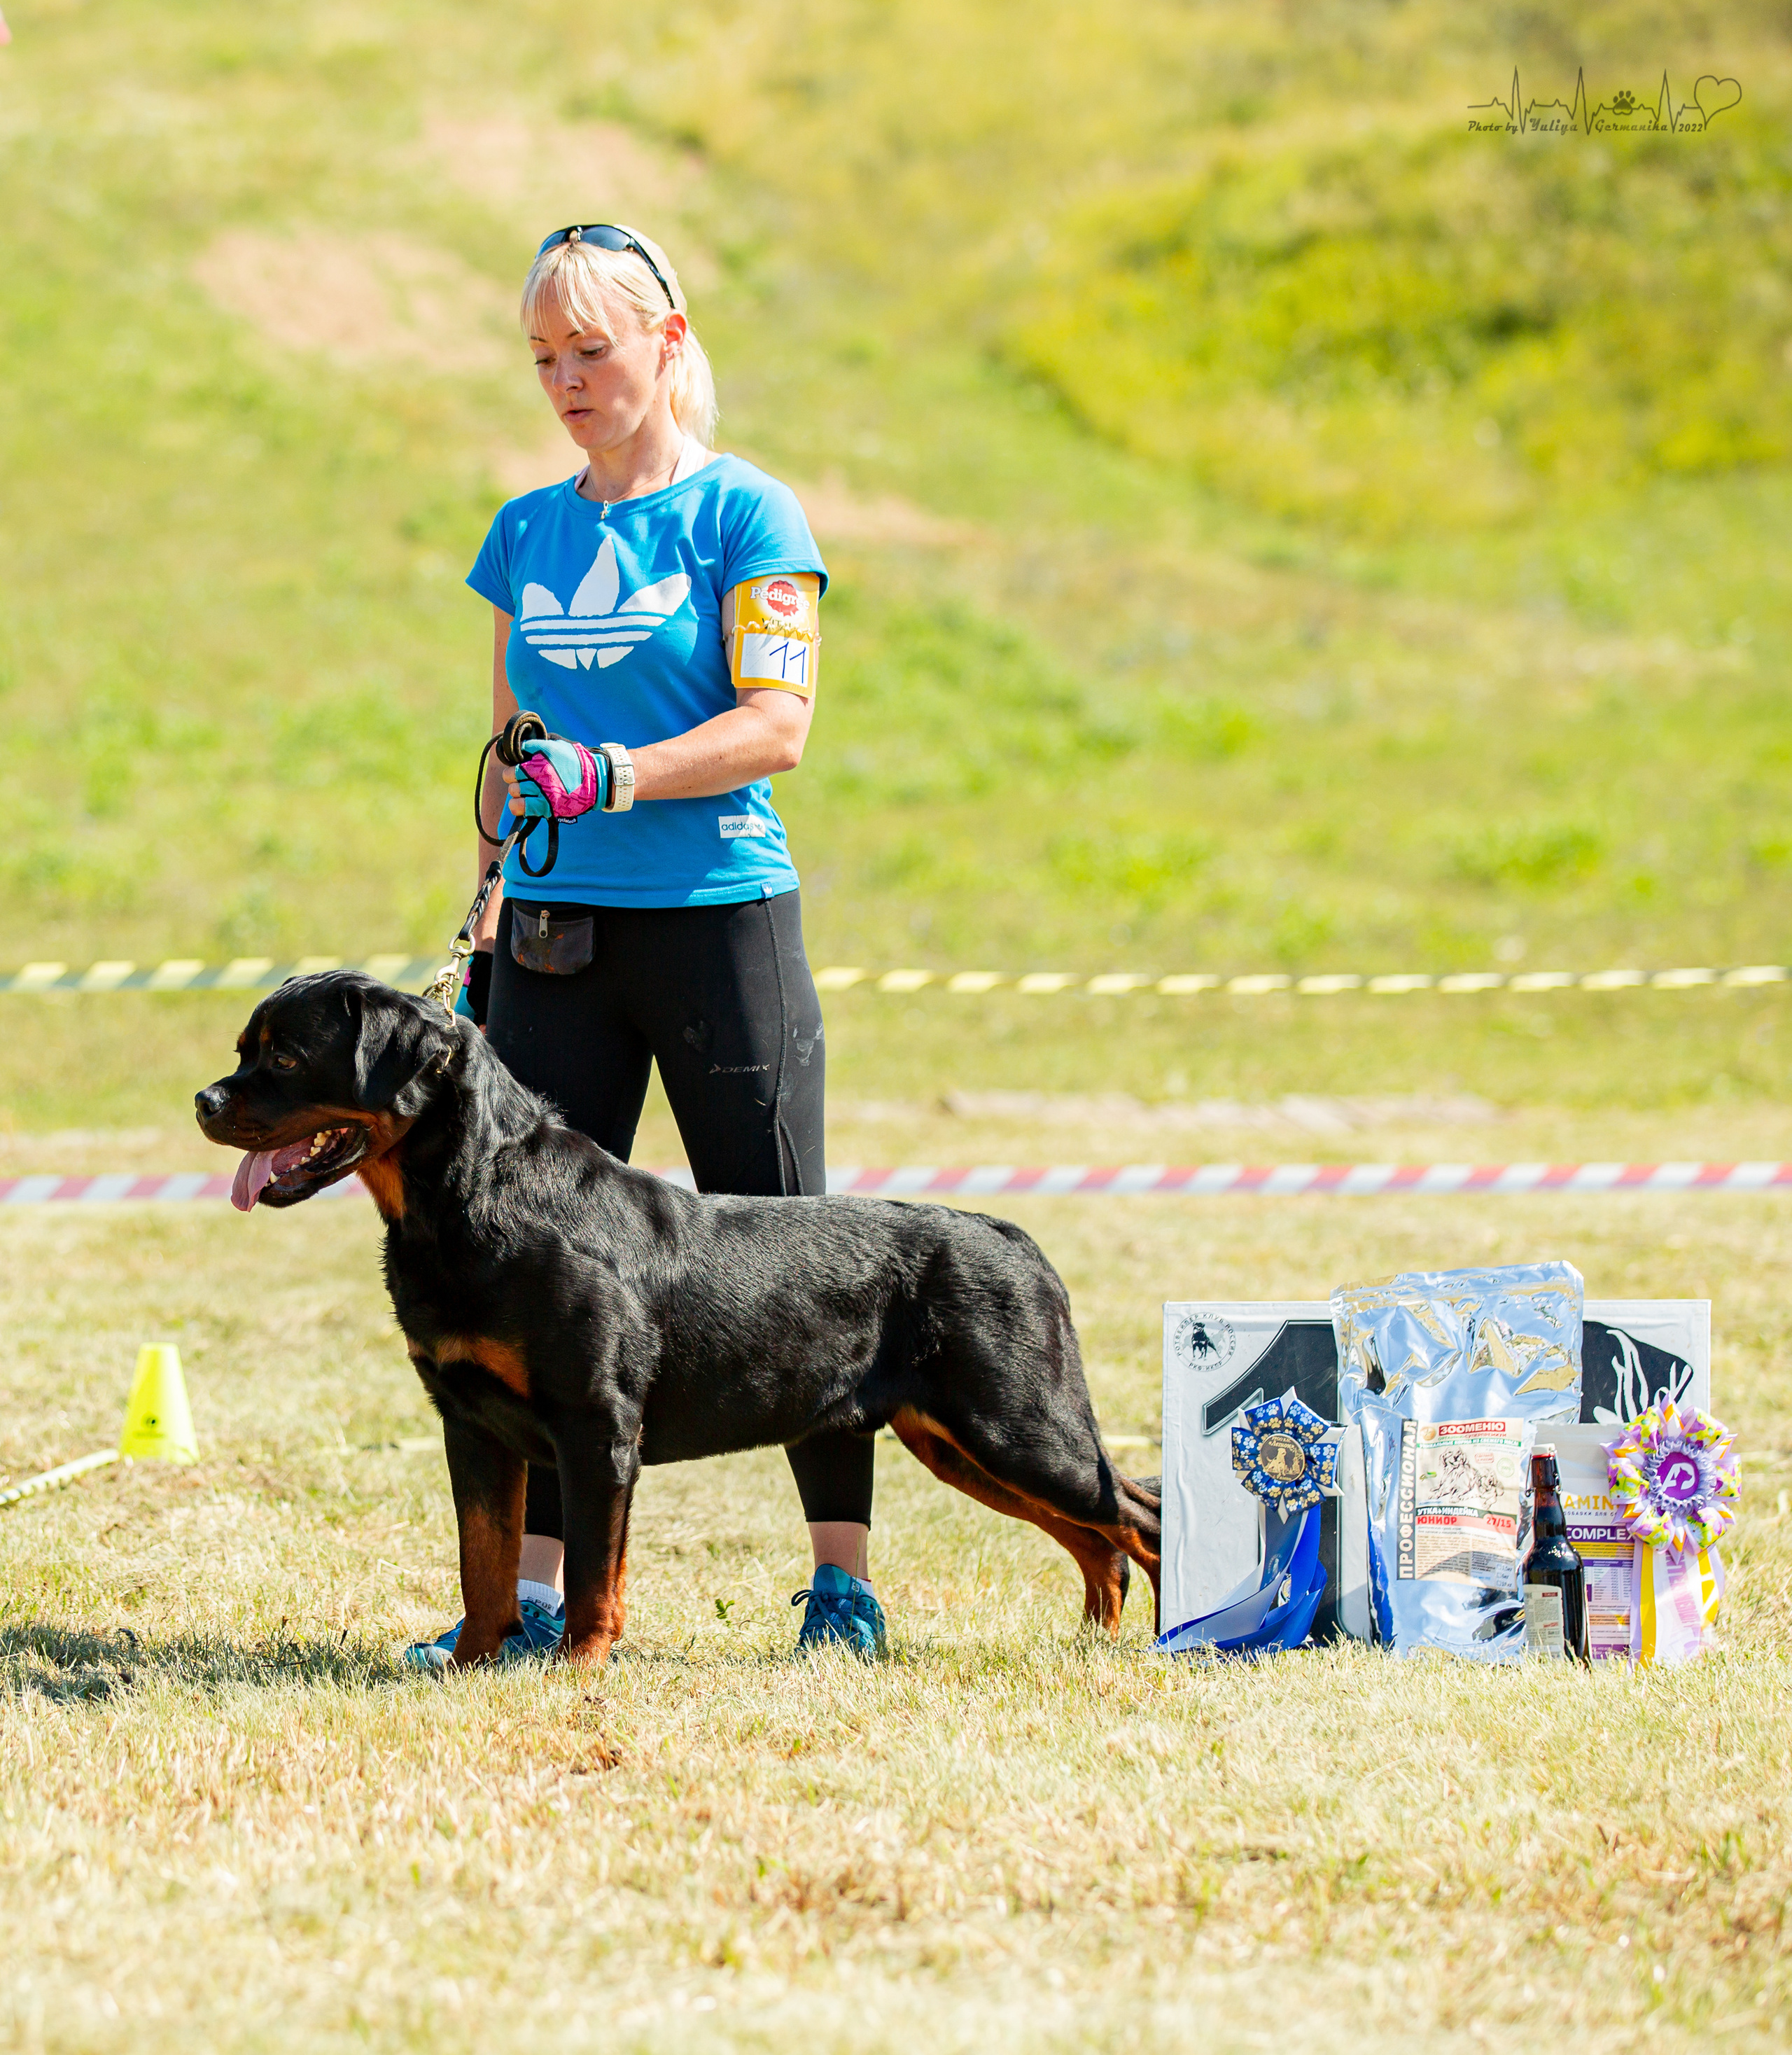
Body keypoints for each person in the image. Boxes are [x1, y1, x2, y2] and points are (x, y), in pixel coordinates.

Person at [402, 223, 883, 1669]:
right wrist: (487, 867)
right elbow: (504, 746)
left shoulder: (750, 516)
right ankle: (532, 1594)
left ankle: (839, 1587)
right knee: (528, 1257)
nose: (562, 378)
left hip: (721, 923)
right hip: (553, 936)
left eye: (589, 349)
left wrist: (609, 776)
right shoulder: (525, 533)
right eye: (542, 355)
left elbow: (774, 728)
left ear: (667, 342)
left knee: (794, 1235)